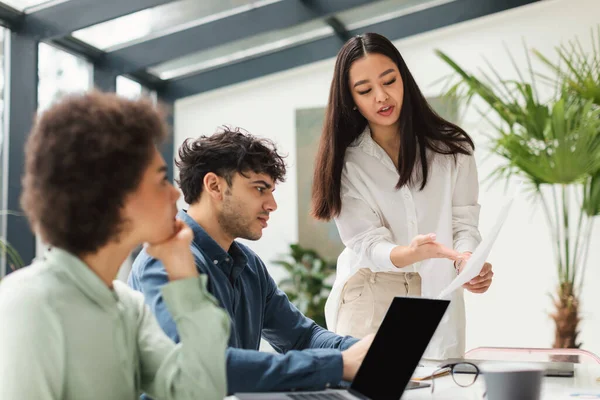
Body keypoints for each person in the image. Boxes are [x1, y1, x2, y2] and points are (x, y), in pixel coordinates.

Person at [0, 91, 230, 400]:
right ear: (115, 193)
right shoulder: (29, 305)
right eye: (161, 179)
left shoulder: (126, 306)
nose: (175, 195)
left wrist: (181, 268)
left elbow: (199, 392)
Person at [129, 127, 373, 396]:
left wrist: (366, 352)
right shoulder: (164, 262)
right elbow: (204, 369)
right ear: (214, 186)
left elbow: (302, 337)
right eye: (260, 189)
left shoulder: (248, 264)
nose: (272, 204)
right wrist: (337, 365)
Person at [311, 32, 494, 360]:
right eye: (365, 90)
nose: (381, 96)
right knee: (373, 391)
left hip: (438, 298)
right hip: (371, 297)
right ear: (351, 99)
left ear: (404, 79)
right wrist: (408, 253)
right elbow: (365, 244)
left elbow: (464, 223)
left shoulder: (453, 150)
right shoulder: (347, 163)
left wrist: (467, 262)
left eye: (389, 81)